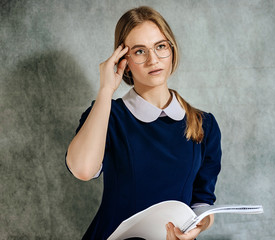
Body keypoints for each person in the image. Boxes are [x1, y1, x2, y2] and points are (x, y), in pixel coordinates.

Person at [66, 6, 222, 240]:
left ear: (171, 48)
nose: (153, 60)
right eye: (140, 51)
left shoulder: (204, 124)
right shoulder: (108, 115)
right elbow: (83, 170)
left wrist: (197, 227)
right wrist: (106, 90)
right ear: (123, 60)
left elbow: (202, 202)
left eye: (160, 46)